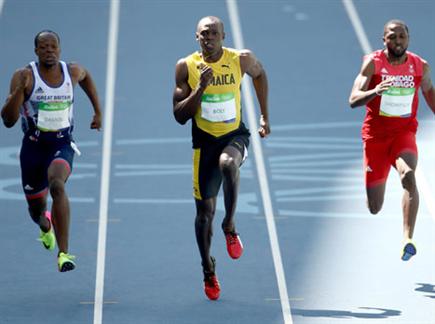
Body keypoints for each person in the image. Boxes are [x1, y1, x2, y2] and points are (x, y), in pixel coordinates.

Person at [172, 16, 270, 300]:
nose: (209, 37)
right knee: (204, 216)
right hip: (204, 143)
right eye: (204, 33)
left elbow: (260, 74)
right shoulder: (186, 66)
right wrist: (201, 88)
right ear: (197, 37)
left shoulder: (240, 60)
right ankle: (208, 269)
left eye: (214, 33)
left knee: (229, 164)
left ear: (224, 35)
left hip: (234, 136)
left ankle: (230, 225)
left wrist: (264, 116)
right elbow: (179, 116)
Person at [1, 30, 102, 272]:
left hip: (61, 144)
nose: (49, 51)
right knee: (36, 209)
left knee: (57, 185)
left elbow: (87, 77)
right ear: (36, 51)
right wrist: (19, 92)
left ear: (60, 49)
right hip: (33, 148)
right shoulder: (24, 75)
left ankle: (64, 253)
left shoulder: (72, 71)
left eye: (53, 46)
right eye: (43, 47)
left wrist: (97, 111)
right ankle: (45, 226)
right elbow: (8, 120)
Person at [349, 20, 435, 261]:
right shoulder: (373, 64)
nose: (398, 42)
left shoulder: (420, 67)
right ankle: (374, 178)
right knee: (374, 207)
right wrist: (375, 91)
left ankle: (408, 238)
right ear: (383, 40)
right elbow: (353, 99)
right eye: (392, 37)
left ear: (408, 38)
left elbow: (429, 93)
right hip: (375, 138)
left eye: (402, 37)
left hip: (403, 134)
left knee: (408, 175)